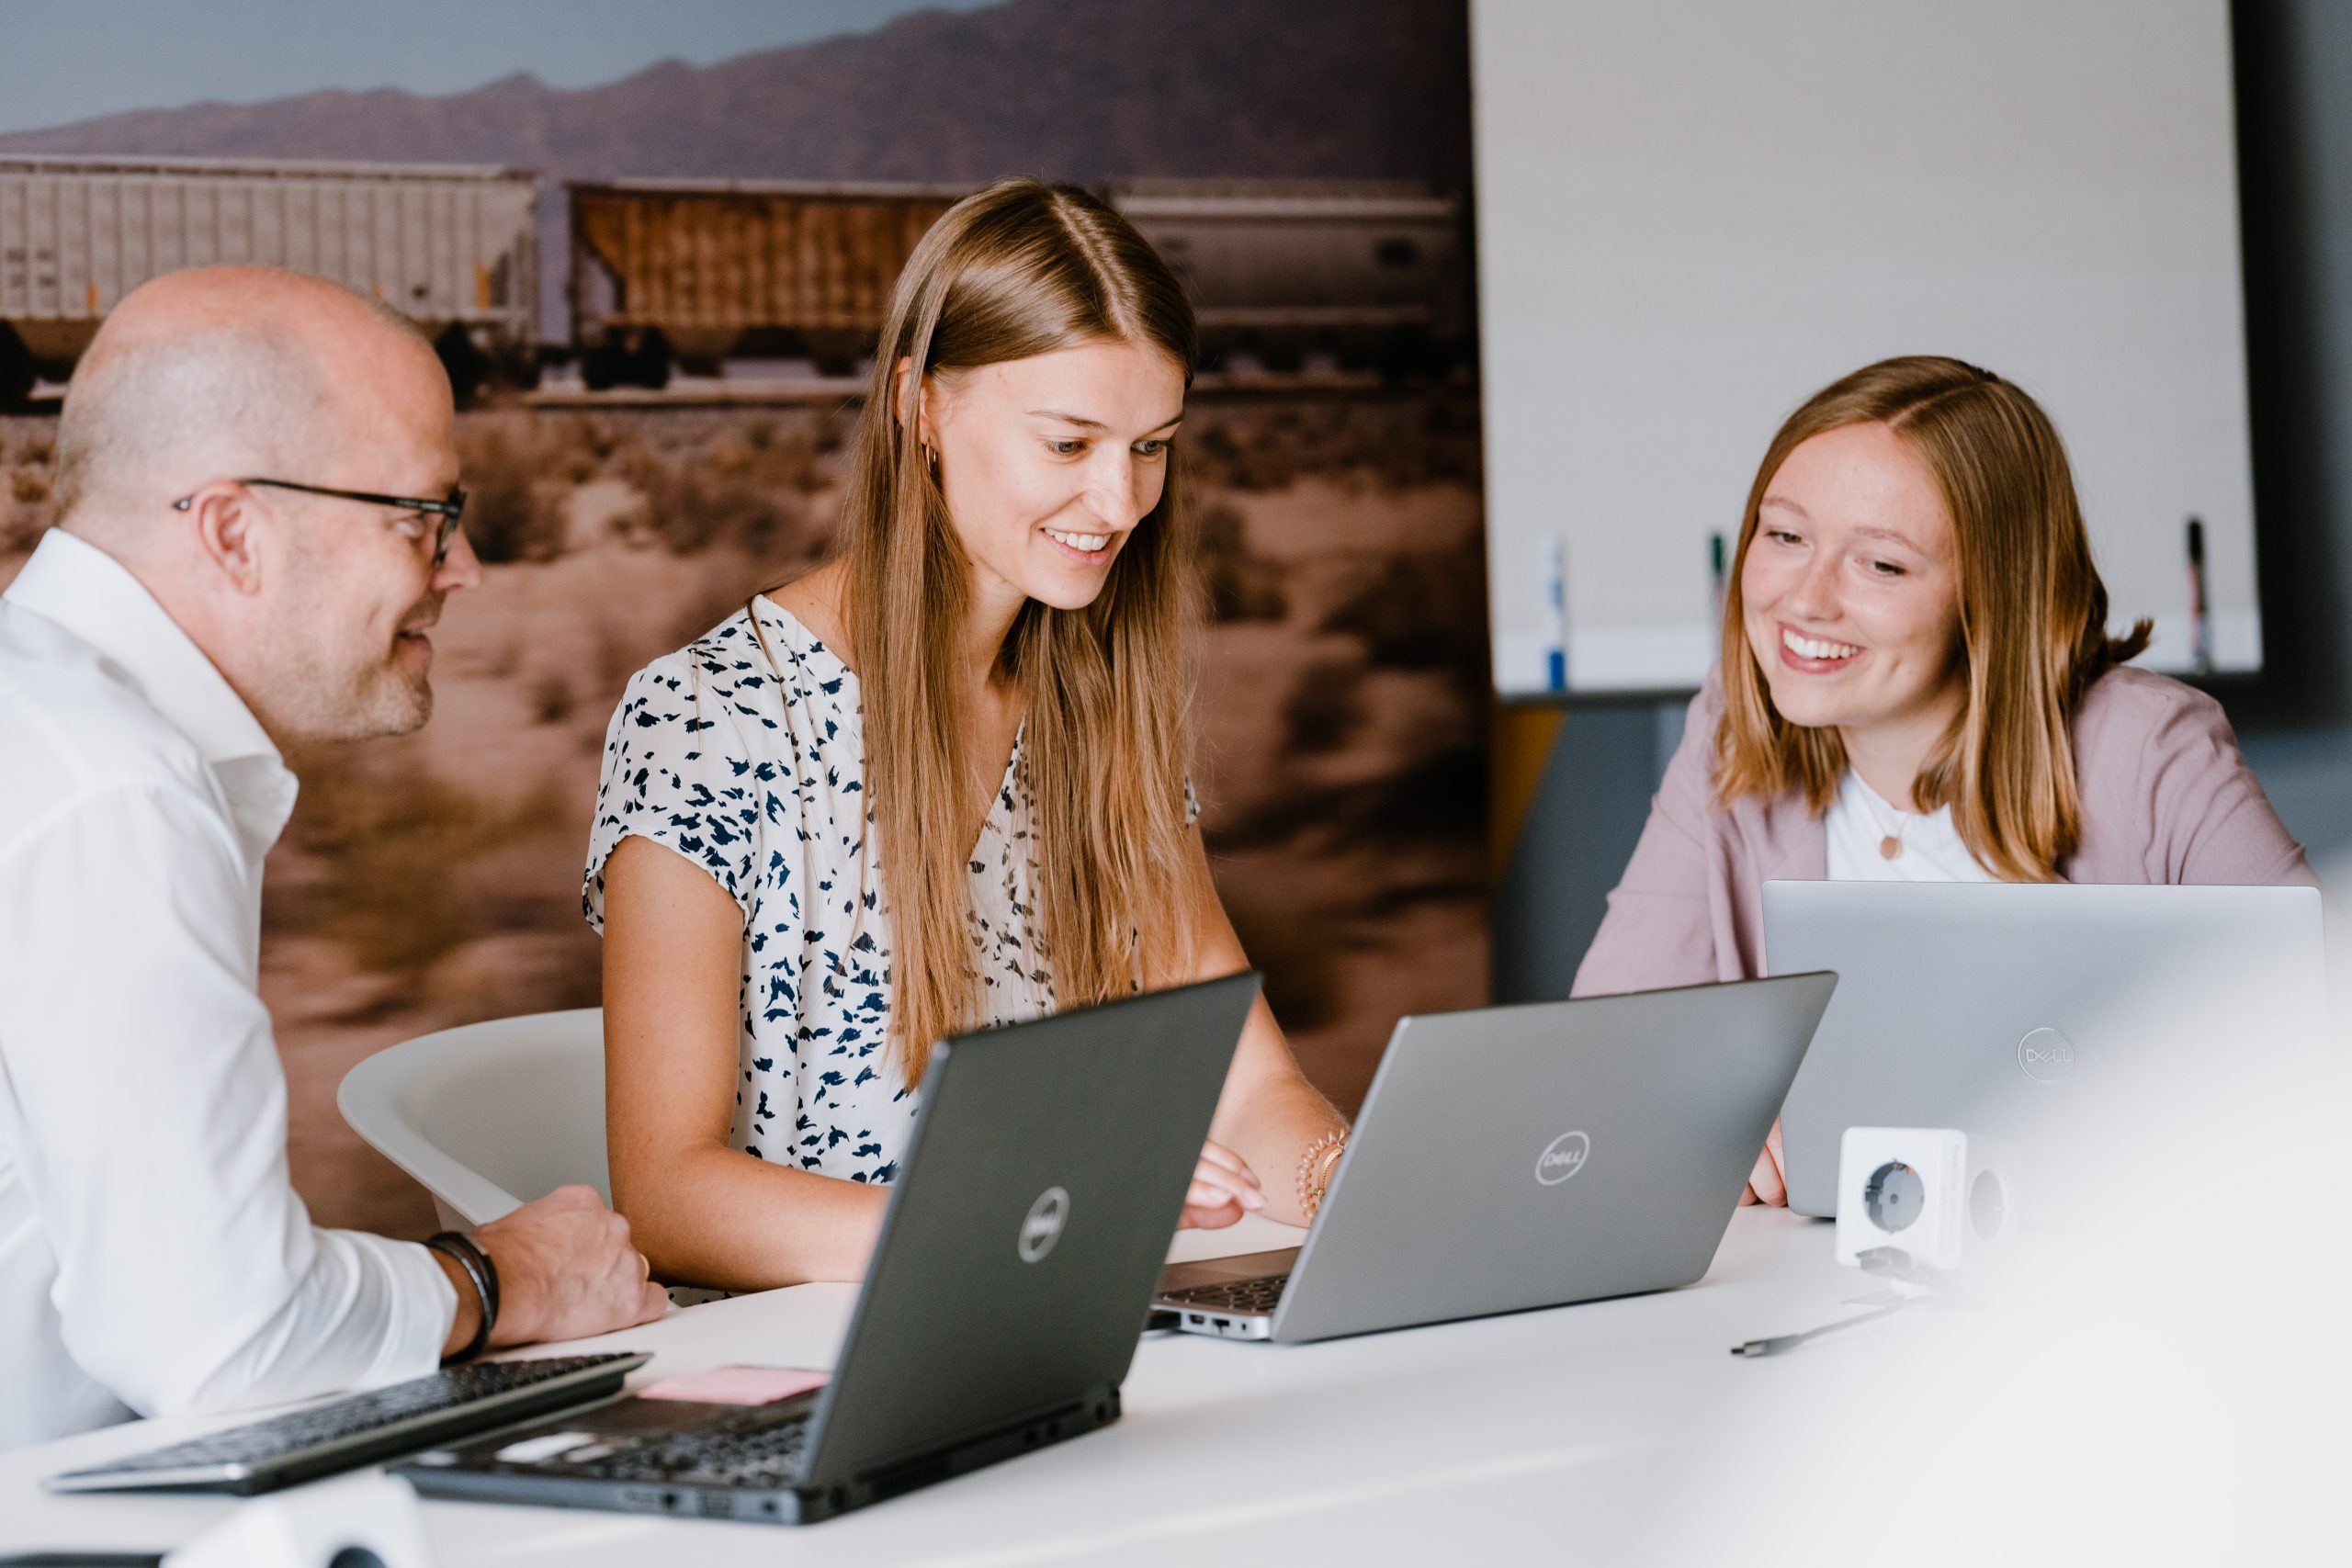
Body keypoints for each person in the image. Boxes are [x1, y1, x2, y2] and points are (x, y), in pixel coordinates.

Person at [590, 180, 1350, 1292]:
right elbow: (666, 1196)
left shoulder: (1097, 706)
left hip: (1058, 1307)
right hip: (821, 1351)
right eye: (1068, 443)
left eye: (1151, 446)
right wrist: (1034, 1209)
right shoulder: (707, 716)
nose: (1121, 502)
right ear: (920, 406)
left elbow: (1247, 1086)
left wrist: (1351, 1187)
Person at [0, 265, 666, 1450]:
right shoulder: (116, 792)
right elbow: (220, 1336)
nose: (462, 568)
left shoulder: (52, 726)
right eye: (420, 518)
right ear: (234, 532)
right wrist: (509, 1276)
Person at [1572, 355, 2317, 1204]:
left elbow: (2316, 1042)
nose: (1804, 600)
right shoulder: (1731, 727)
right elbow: (1604, 1057)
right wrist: (1716, 1125)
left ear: (1992, 596)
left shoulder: (2146, 747)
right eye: (1785, 536)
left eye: (1881, 565)